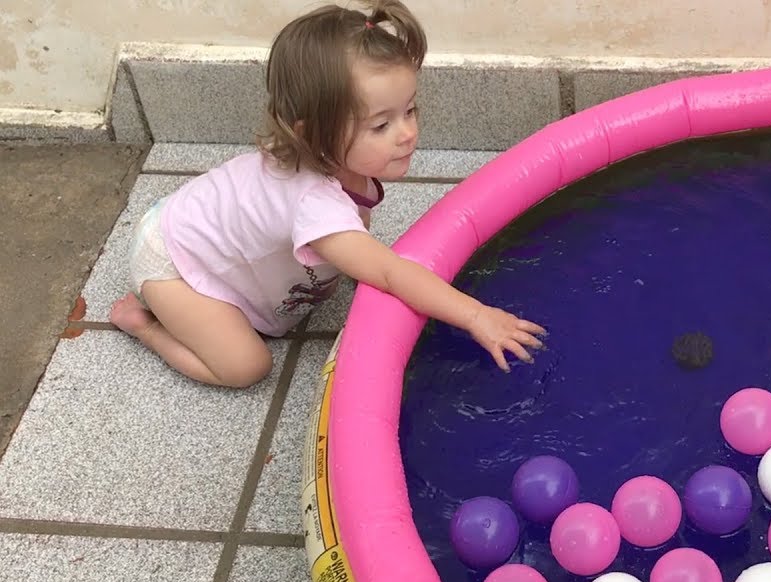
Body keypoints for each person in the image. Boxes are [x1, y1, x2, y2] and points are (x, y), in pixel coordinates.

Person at [109, 0, 545, 387]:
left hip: (196, 220)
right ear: (313, 134)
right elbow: (392, 273)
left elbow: (360, 234)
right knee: (245, 366)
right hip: (171, 260)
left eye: (410, 109)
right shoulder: (313, 204)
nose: (408, 133)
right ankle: (144, 326)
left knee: (351, 239)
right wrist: (475, 315)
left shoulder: (335, 163)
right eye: (381, 125)